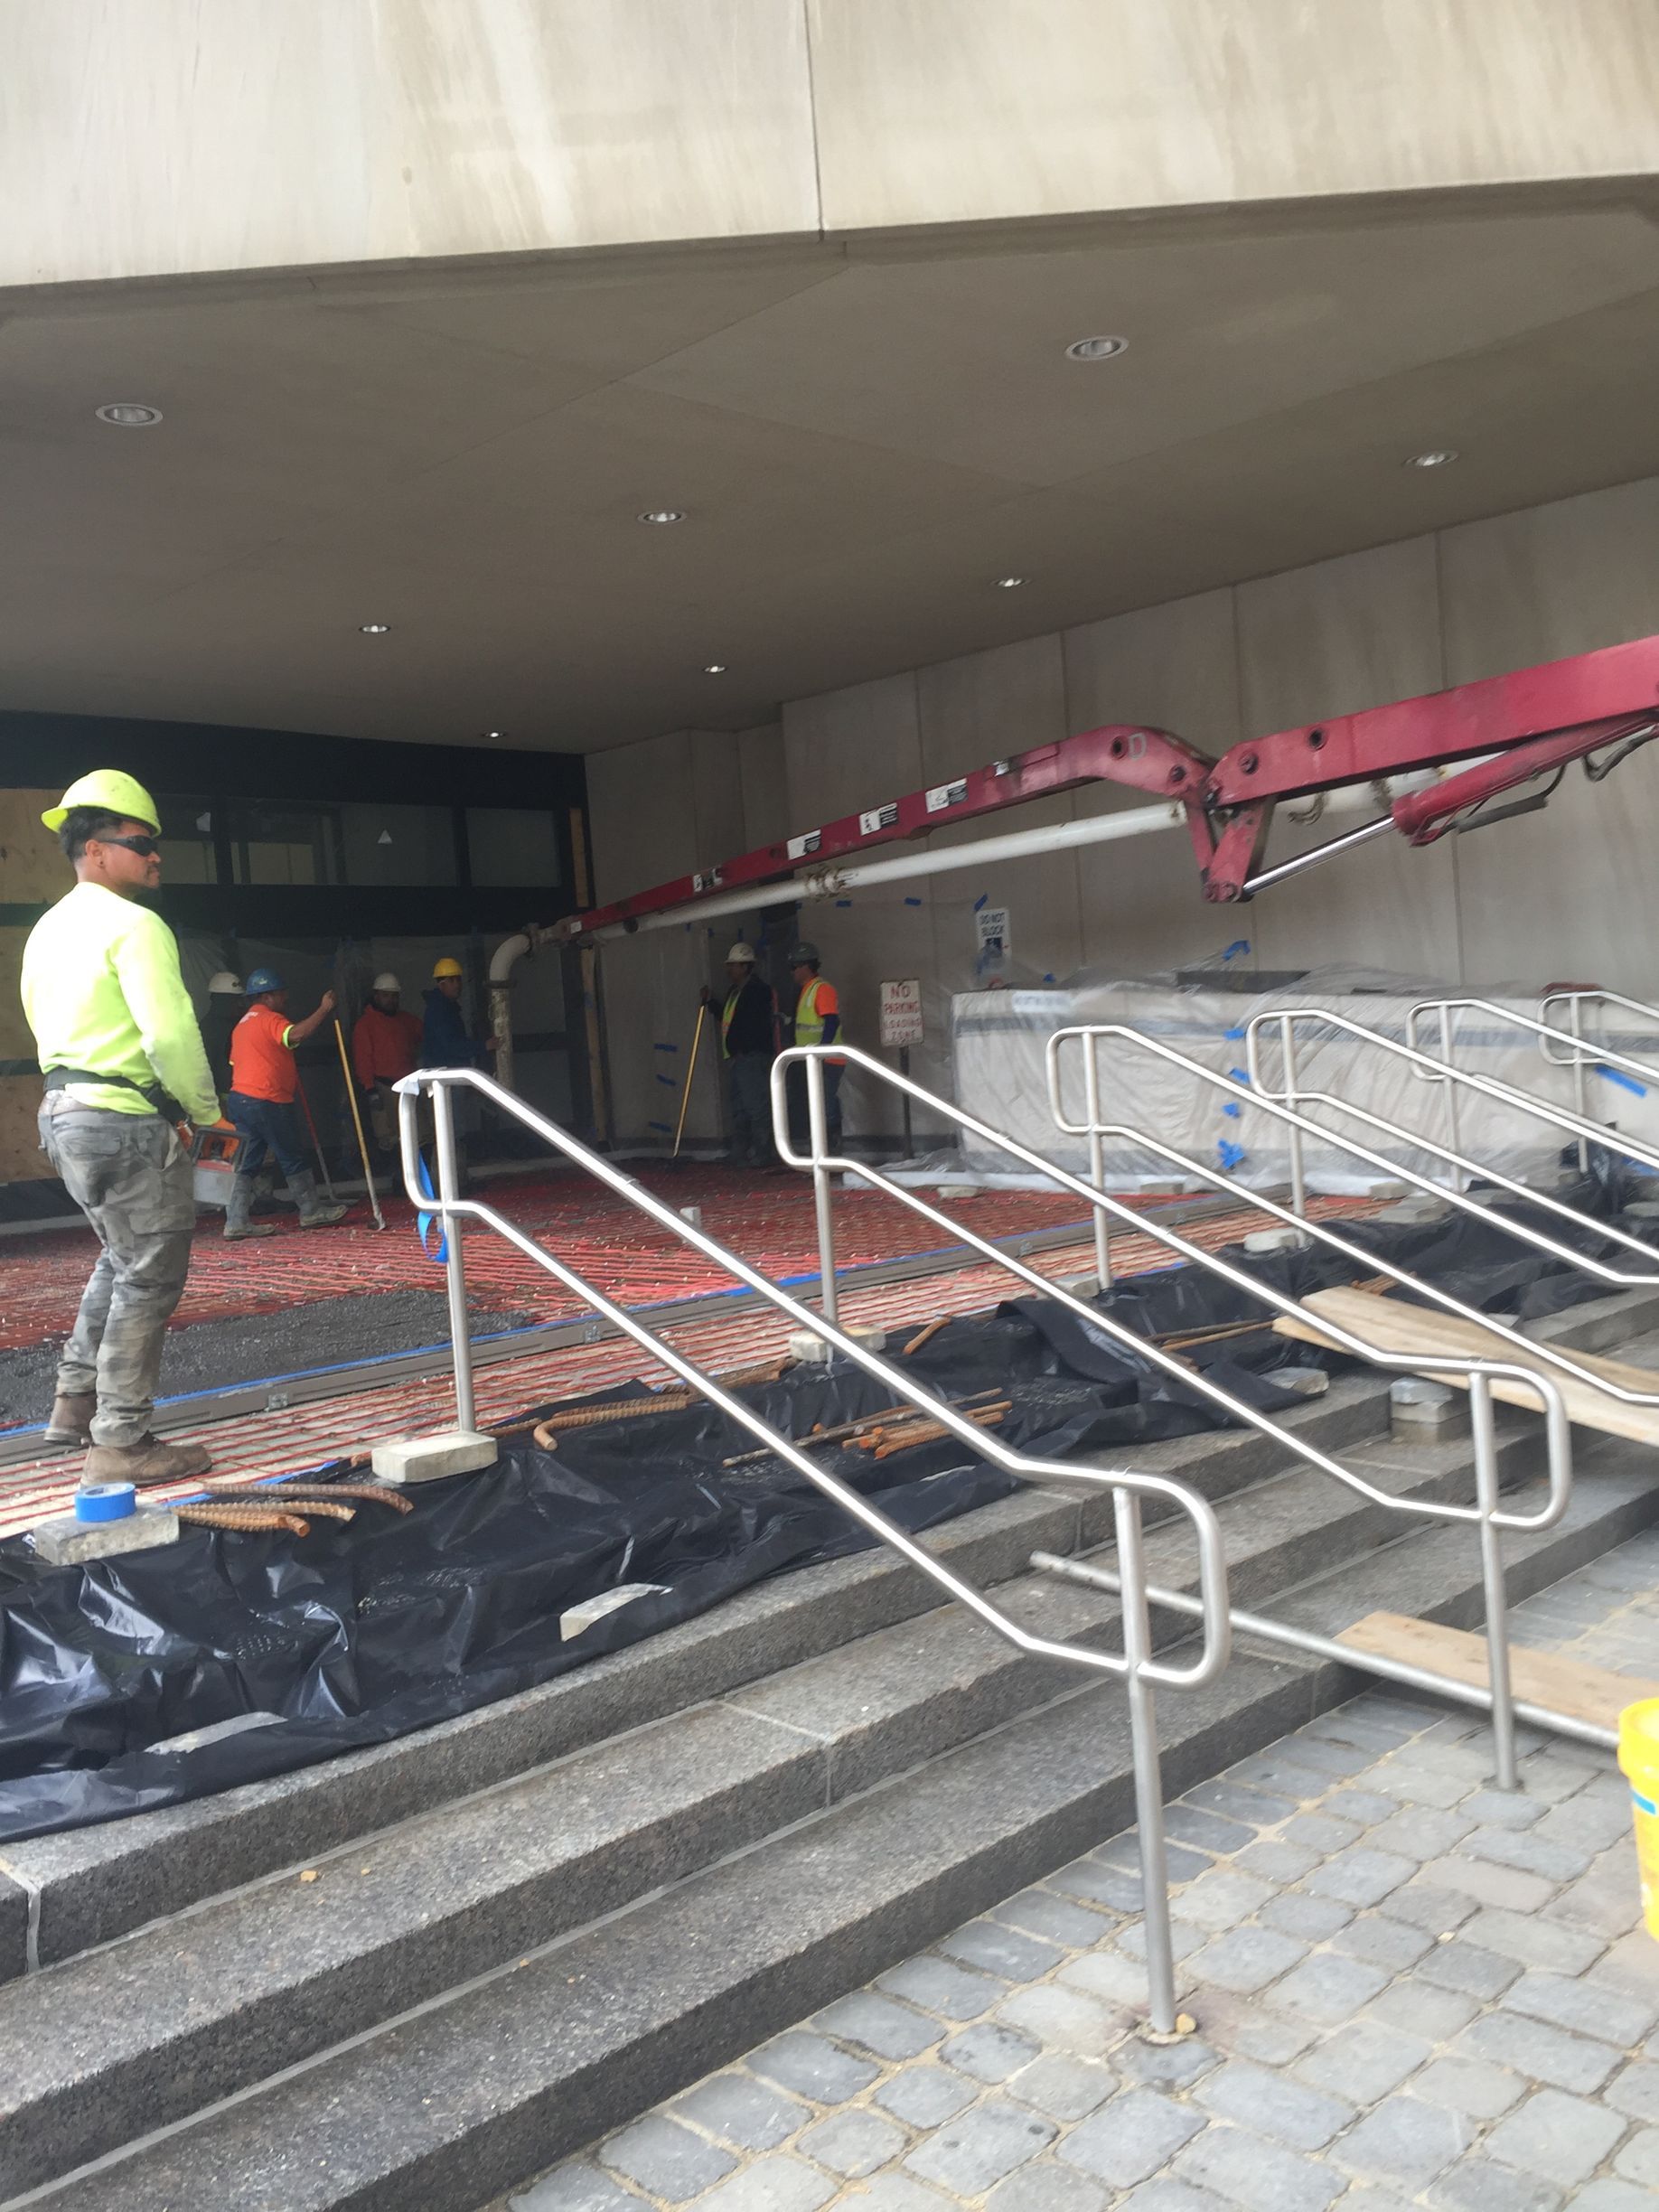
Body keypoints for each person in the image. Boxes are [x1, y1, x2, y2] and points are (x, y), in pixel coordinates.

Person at [19, 771, 220, 1484]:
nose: (155, 856)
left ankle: (74, 1405)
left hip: (66, 1115)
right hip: (125, 1120)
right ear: (97, 851)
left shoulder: (48, 928)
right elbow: (168, 1032)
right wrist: (203, 1110)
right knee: (147, 1281)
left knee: (118, 1258)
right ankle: (122, 1443)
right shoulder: (135, 924)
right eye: (142, 844)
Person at [223, 970, 351, 1238]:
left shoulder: (242, 1025)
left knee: (248, 1161)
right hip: (268, 1100)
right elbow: (296, 1035)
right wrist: (324, 1009)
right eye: (281, 993)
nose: (286, 998)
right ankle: (310, 1209)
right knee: (291, 1156)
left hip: (241, 1100)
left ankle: (235, 1220)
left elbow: (238, 1064)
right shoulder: (270, 1019)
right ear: (268, 996)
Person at [700, 942, 778, 1167]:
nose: (729, 970)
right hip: (737, 1058)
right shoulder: (735, 992)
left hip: (752, 1057)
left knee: (756, 1107)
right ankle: (740, 1153)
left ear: (745, 966)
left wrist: (743, 1048)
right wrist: (710, 1003)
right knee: (739, 1108)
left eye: (733, 965)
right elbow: (728, 1018)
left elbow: (751, 1024)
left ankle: (763, 1153)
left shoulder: (757, 991)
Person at [422, 955, 496, 1180]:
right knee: (449, 1132)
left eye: (458, 980)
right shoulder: (440, 1011)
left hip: (449, 1077)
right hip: (445, 1079)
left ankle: (456, 1179)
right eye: (451, 980)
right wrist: (483, 1046)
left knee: (453, 1131)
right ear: (440, 983)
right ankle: (449, 1182)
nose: (457, 984)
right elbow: (451, 1045)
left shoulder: (446, 1008)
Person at [352, 970, 422, 1155]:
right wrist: (370, 1089)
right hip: (384, 1087)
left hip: (409, 1086)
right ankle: (397, 1180)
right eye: (385, 996)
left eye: (394, 996)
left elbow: (427, 1036)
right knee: (390, 1140)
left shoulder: (406, 1020)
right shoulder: (365, 1024)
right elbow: (363, 1058)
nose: (390, 1000)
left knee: (417, 1135)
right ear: (376, 996)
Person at [784, 940, 845, 1151]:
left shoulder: (821, 989)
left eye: (794, 967)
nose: (791, 972)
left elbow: (831, 1021)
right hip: (814, 1060)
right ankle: (823, 1154)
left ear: (806, 966)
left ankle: (832, 1154)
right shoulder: (808, 990)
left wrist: (821, 1051)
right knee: (818, 1107)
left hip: (826, 1060)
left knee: (825, 1107)